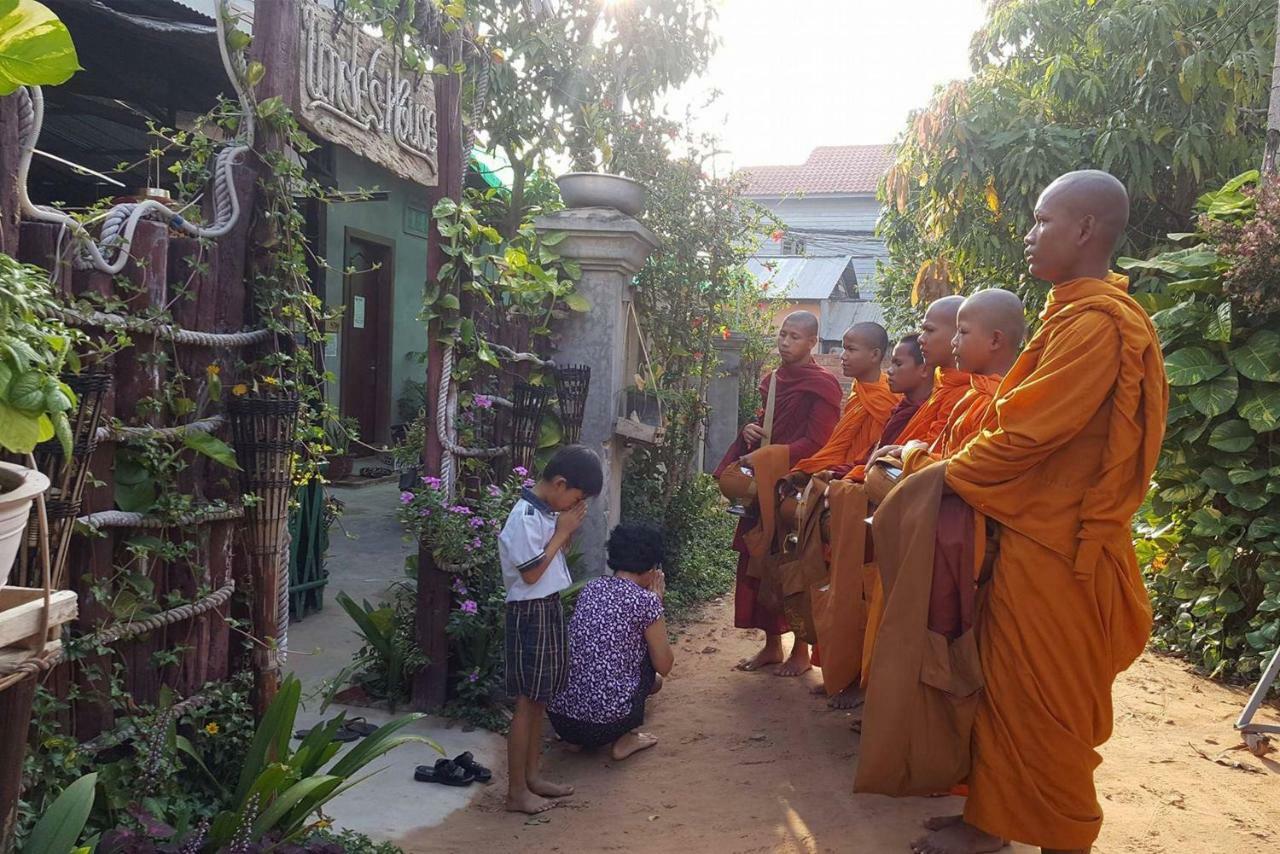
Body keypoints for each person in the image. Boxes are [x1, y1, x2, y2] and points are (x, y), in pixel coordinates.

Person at [910, 170, 1168, 854]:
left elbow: (1026, 437)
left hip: (1063, 553)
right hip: (1030, 541)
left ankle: (1063, 834)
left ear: (1085, 229)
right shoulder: (1071, 315)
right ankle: (992, 819)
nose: (1029, 235)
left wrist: (937, 476)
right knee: (1008, 690)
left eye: (1042, 220)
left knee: (1044, 703)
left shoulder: (1097, 327)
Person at [715, 310, 842, 676]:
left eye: (795, 337)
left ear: (812, 342)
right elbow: (766, 426)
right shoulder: (774, 381)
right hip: (763, 485)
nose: (786, 342)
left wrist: (772, 456)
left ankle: (800, 652)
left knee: (793, 564)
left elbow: (820, 441)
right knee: (757, 560)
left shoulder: (822, 384)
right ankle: (771, 646)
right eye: (783, 335)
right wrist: (751, 432)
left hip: (796, 486)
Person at [498, 445, 604, 815]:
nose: (576, 505)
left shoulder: (545, 513)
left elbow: (548, 559)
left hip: (546, 607)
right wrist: (562, 532)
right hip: (530, 614)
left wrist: (564, 531)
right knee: (527, 703)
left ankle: (532, 776)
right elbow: (530, 573)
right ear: (560, 484)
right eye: (576, 496)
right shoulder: (525, 516)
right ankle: (515, 792)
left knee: (540, 698)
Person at [548, 523, 675, 761]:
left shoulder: (591, 588)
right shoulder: (645, 601)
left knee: (646, 677)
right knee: (650, 667)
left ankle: (576, 741)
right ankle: (625, 738)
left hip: (561, 720)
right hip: (607, 724)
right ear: (651, 567)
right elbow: (665, 665)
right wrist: (657, 602)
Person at [883, 288, 1026, 472]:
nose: (954, 342)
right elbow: (946, 455)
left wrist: (911, 454)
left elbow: (961, 472)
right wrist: (906, 451)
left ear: (995, 340)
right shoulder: (973, 394)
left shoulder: (999, 403)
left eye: (962, 332)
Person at [793, 322, 899, 479]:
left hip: (870, 477)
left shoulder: (889, 397)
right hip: (843, 473)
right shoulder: (859, 390)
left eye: (851, 349)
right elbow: (842, 445)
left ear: (875, 355)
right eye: (844, 348)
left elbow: (880, 450)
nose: (843, 356)